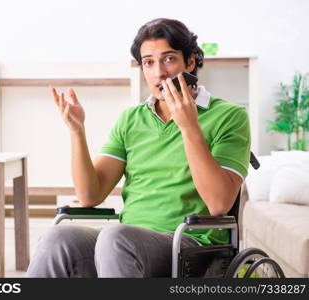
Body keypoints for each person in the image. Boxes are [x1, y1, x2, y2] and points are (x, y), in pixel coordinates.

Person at [26, 18, 250, 278]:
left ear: (190, 62)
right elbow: (90, 195)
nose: (159, 73)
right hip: (124, 243)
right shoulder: (131, 119)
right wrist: (77, 131)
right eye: (149, 62)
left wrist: (189, 126)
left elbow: (219, 202)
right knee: (58, 237)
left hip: (191, 246)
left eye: (168, 59)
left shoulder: (229, 116)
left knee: (116, 238)